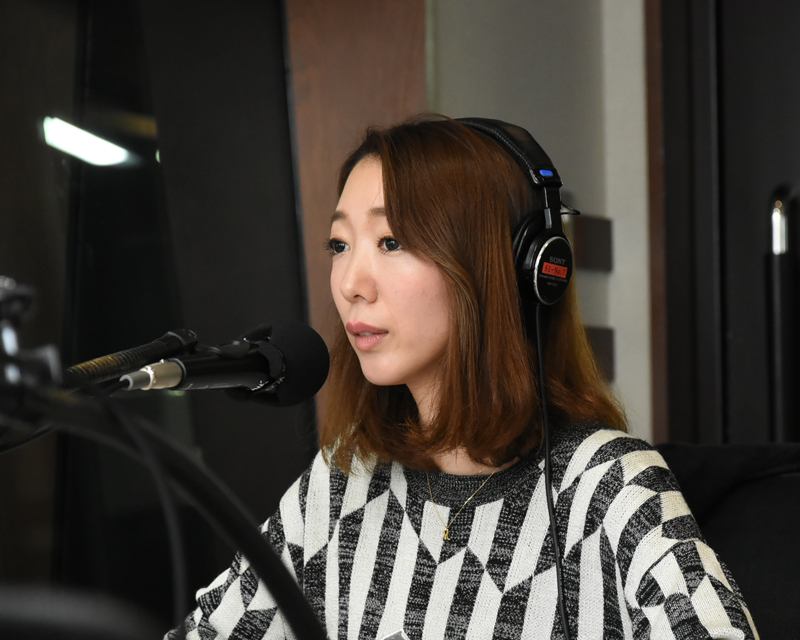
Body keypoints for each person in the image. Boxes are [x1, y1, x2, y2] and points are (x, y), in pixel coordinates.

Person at [170, 116, 758, 639]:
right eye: (339, 244)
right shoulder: (344, 478)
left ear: (504, 266)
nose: (350, 283)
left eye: (391, 241)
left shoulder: (609, 486)